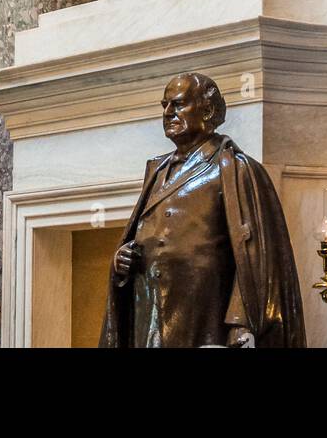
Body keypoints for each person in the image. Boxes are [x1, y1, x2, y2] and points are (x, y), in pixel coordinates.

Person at [100, 72, 306, 348]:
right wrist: (121, 262)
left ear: (207, 110)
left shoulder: (234, 169)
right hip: (150, 313)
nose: (168, 112)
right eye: (165, 105)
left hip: (204, 316)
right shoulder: (157, 171)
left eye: (178, 104)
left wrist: (240, 322)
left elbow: (255, 257)